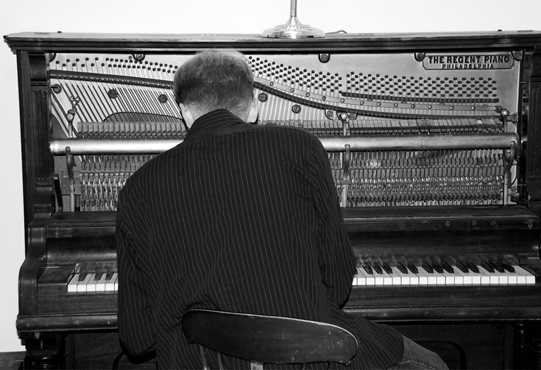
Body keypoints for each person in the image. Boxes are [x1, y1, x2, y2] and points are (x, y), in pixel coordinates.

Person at [116, 49, 448, 370]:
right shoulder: (300, 148)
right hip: (309, 359)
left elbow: (139, 338)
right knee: (433, 363)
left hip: (198, 363)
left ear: (185, 113)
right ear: (253, 109)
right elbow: (337, 280)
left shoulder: (137, 188)